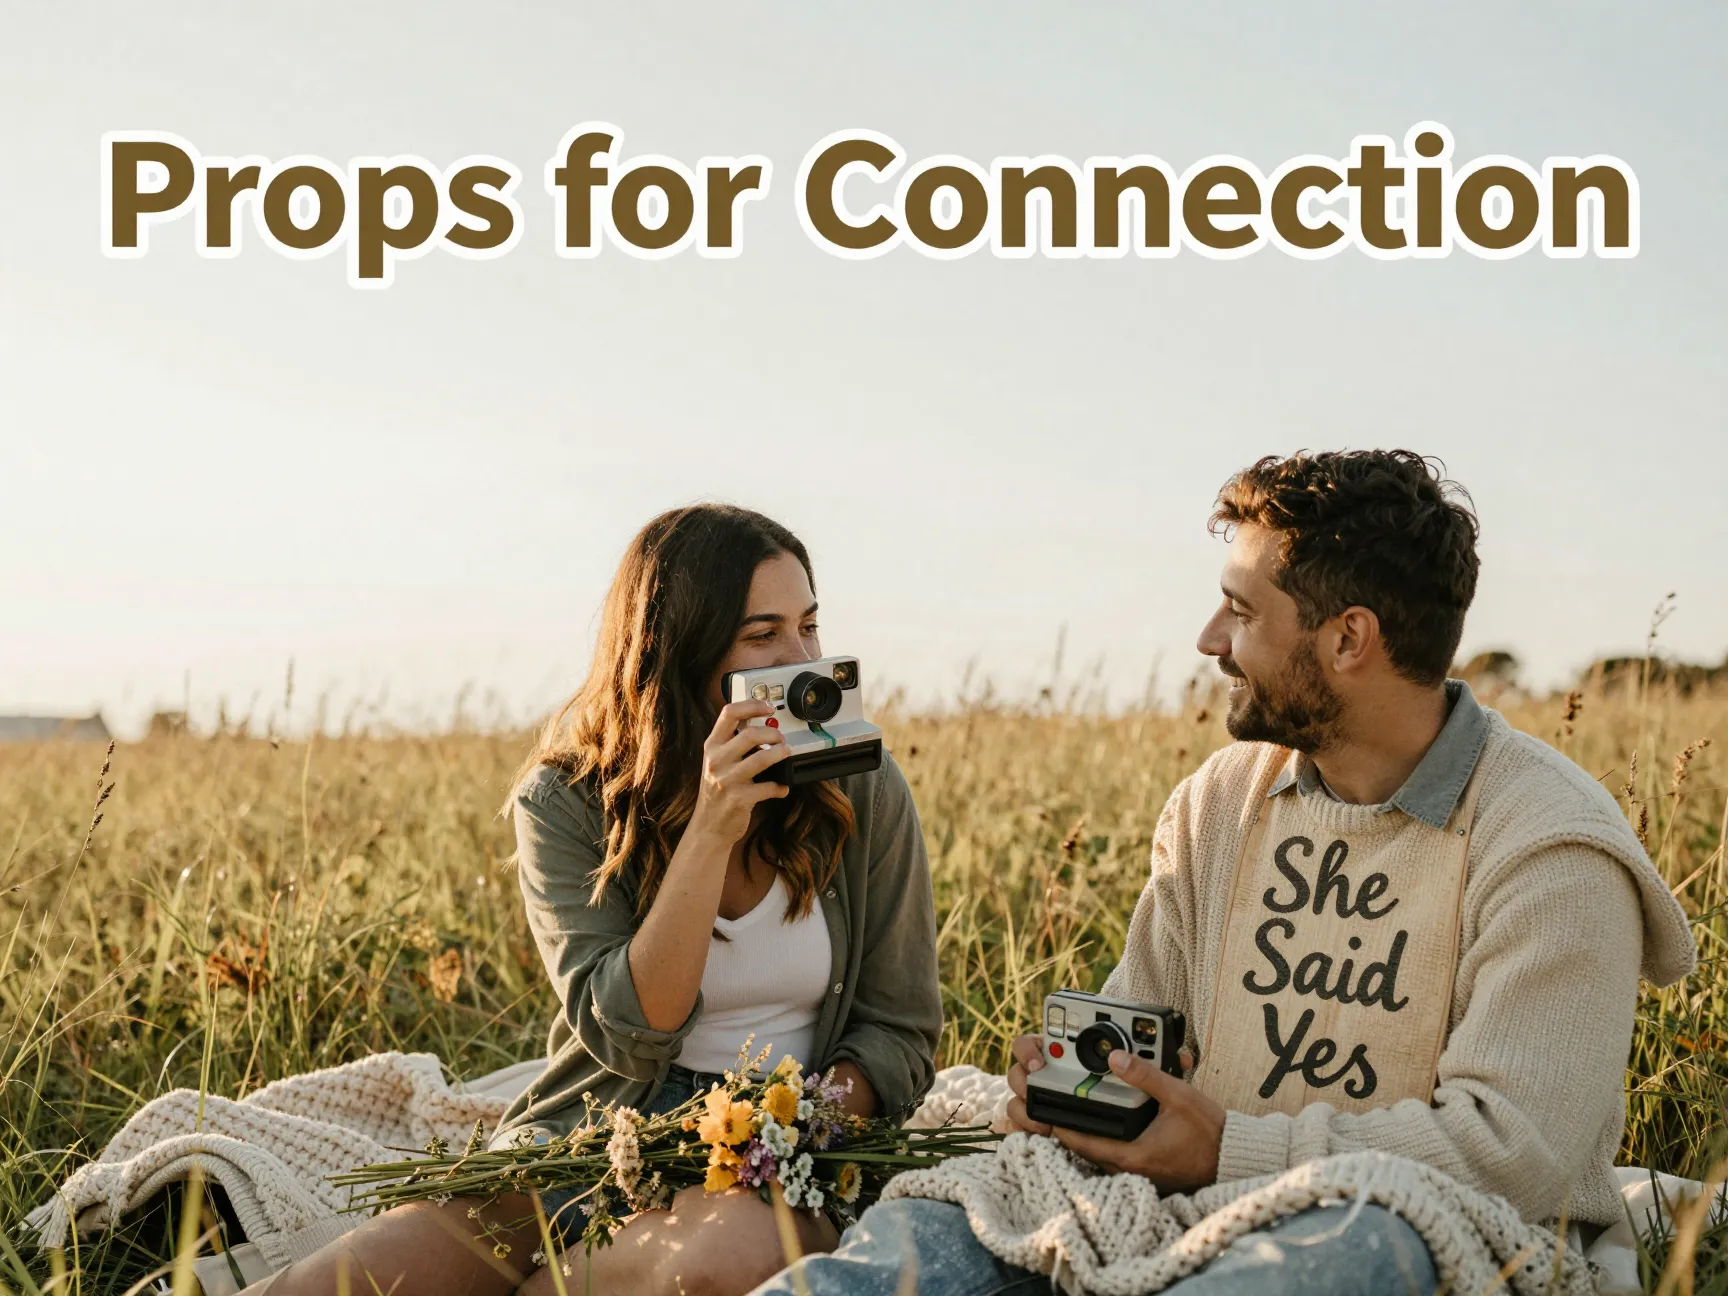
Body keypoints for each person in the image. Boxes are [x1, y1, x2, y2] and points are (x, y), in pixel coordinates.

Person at [748, 450, 1696, 1296]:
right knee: (943, 1222)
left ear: (1348, 639)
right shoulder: (1225, 798)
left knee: (1355, 1248)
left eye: (1241, 611)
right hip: (1166, 1191)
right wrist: (1087, 1086)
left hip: (1388, 1223)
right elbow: (1147, 1020)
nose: (1208, 638)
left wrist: (1228, 1152)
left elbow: (1513, 1155)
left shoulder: (1548, 845)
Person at [241, 503, 942, 1296]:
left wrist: (798, 1123)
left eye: (809, 627)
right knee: (353, 1281)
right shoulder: (565, 799)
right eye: (763, 637)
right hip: (605, 1128)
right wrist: (711, 828)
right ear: (680, 651)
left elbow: (900, 1027)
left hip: (784, 1157)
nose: (804, 659)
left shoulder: (861, 786)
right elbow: (630, 1036)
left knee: (722, 1262)